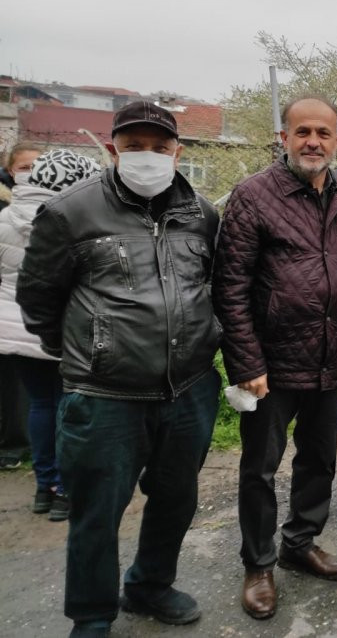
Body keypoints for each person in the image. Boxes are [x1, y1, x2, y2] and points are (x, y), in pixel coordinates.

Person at [17, 100, 222, 638]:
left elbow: (214, 287)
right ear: (113, 150)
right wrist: (91, 352)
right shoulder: (70, 212)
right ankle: (92, 616)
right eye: (135, 147)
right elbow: (38, 298)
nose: (148, 157)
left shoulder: (202, 214)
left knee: (176, 499)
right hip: (105, 396)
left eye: (160, 147)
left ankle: (150, 585)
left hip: (190, 389)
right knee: (97, 512)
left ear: (178, 152)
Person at [213, 96, 337, 620]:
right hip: (272, 365)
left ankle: (301, 541)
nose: (314, 142)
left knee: (318, 458)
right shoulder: (254, 195)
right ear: (284, 137)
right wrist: (246, 363)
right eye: (303, 132)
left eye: (324, 133)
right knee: (261, 467)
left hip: (332, 357)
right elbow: (230, 286)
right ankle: (259, 563)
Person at [0, 149, 102, 520]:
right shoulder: (74, 218)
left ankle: (45, 486)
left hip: (16, 327)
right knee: (68, 408)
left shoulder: (4, 218)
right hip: (65, 330)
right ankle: (65, 489)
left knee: (40, 406)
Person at [0, 141, 43, 469]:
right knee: (12, 386)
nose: (29, 174)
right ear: (9, 170)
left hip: (40, 313)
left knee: (41, 393)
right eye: (23, 167)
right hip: (8, 310)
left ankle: (29, 449)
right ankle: (14, 445)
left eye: (36, 167)